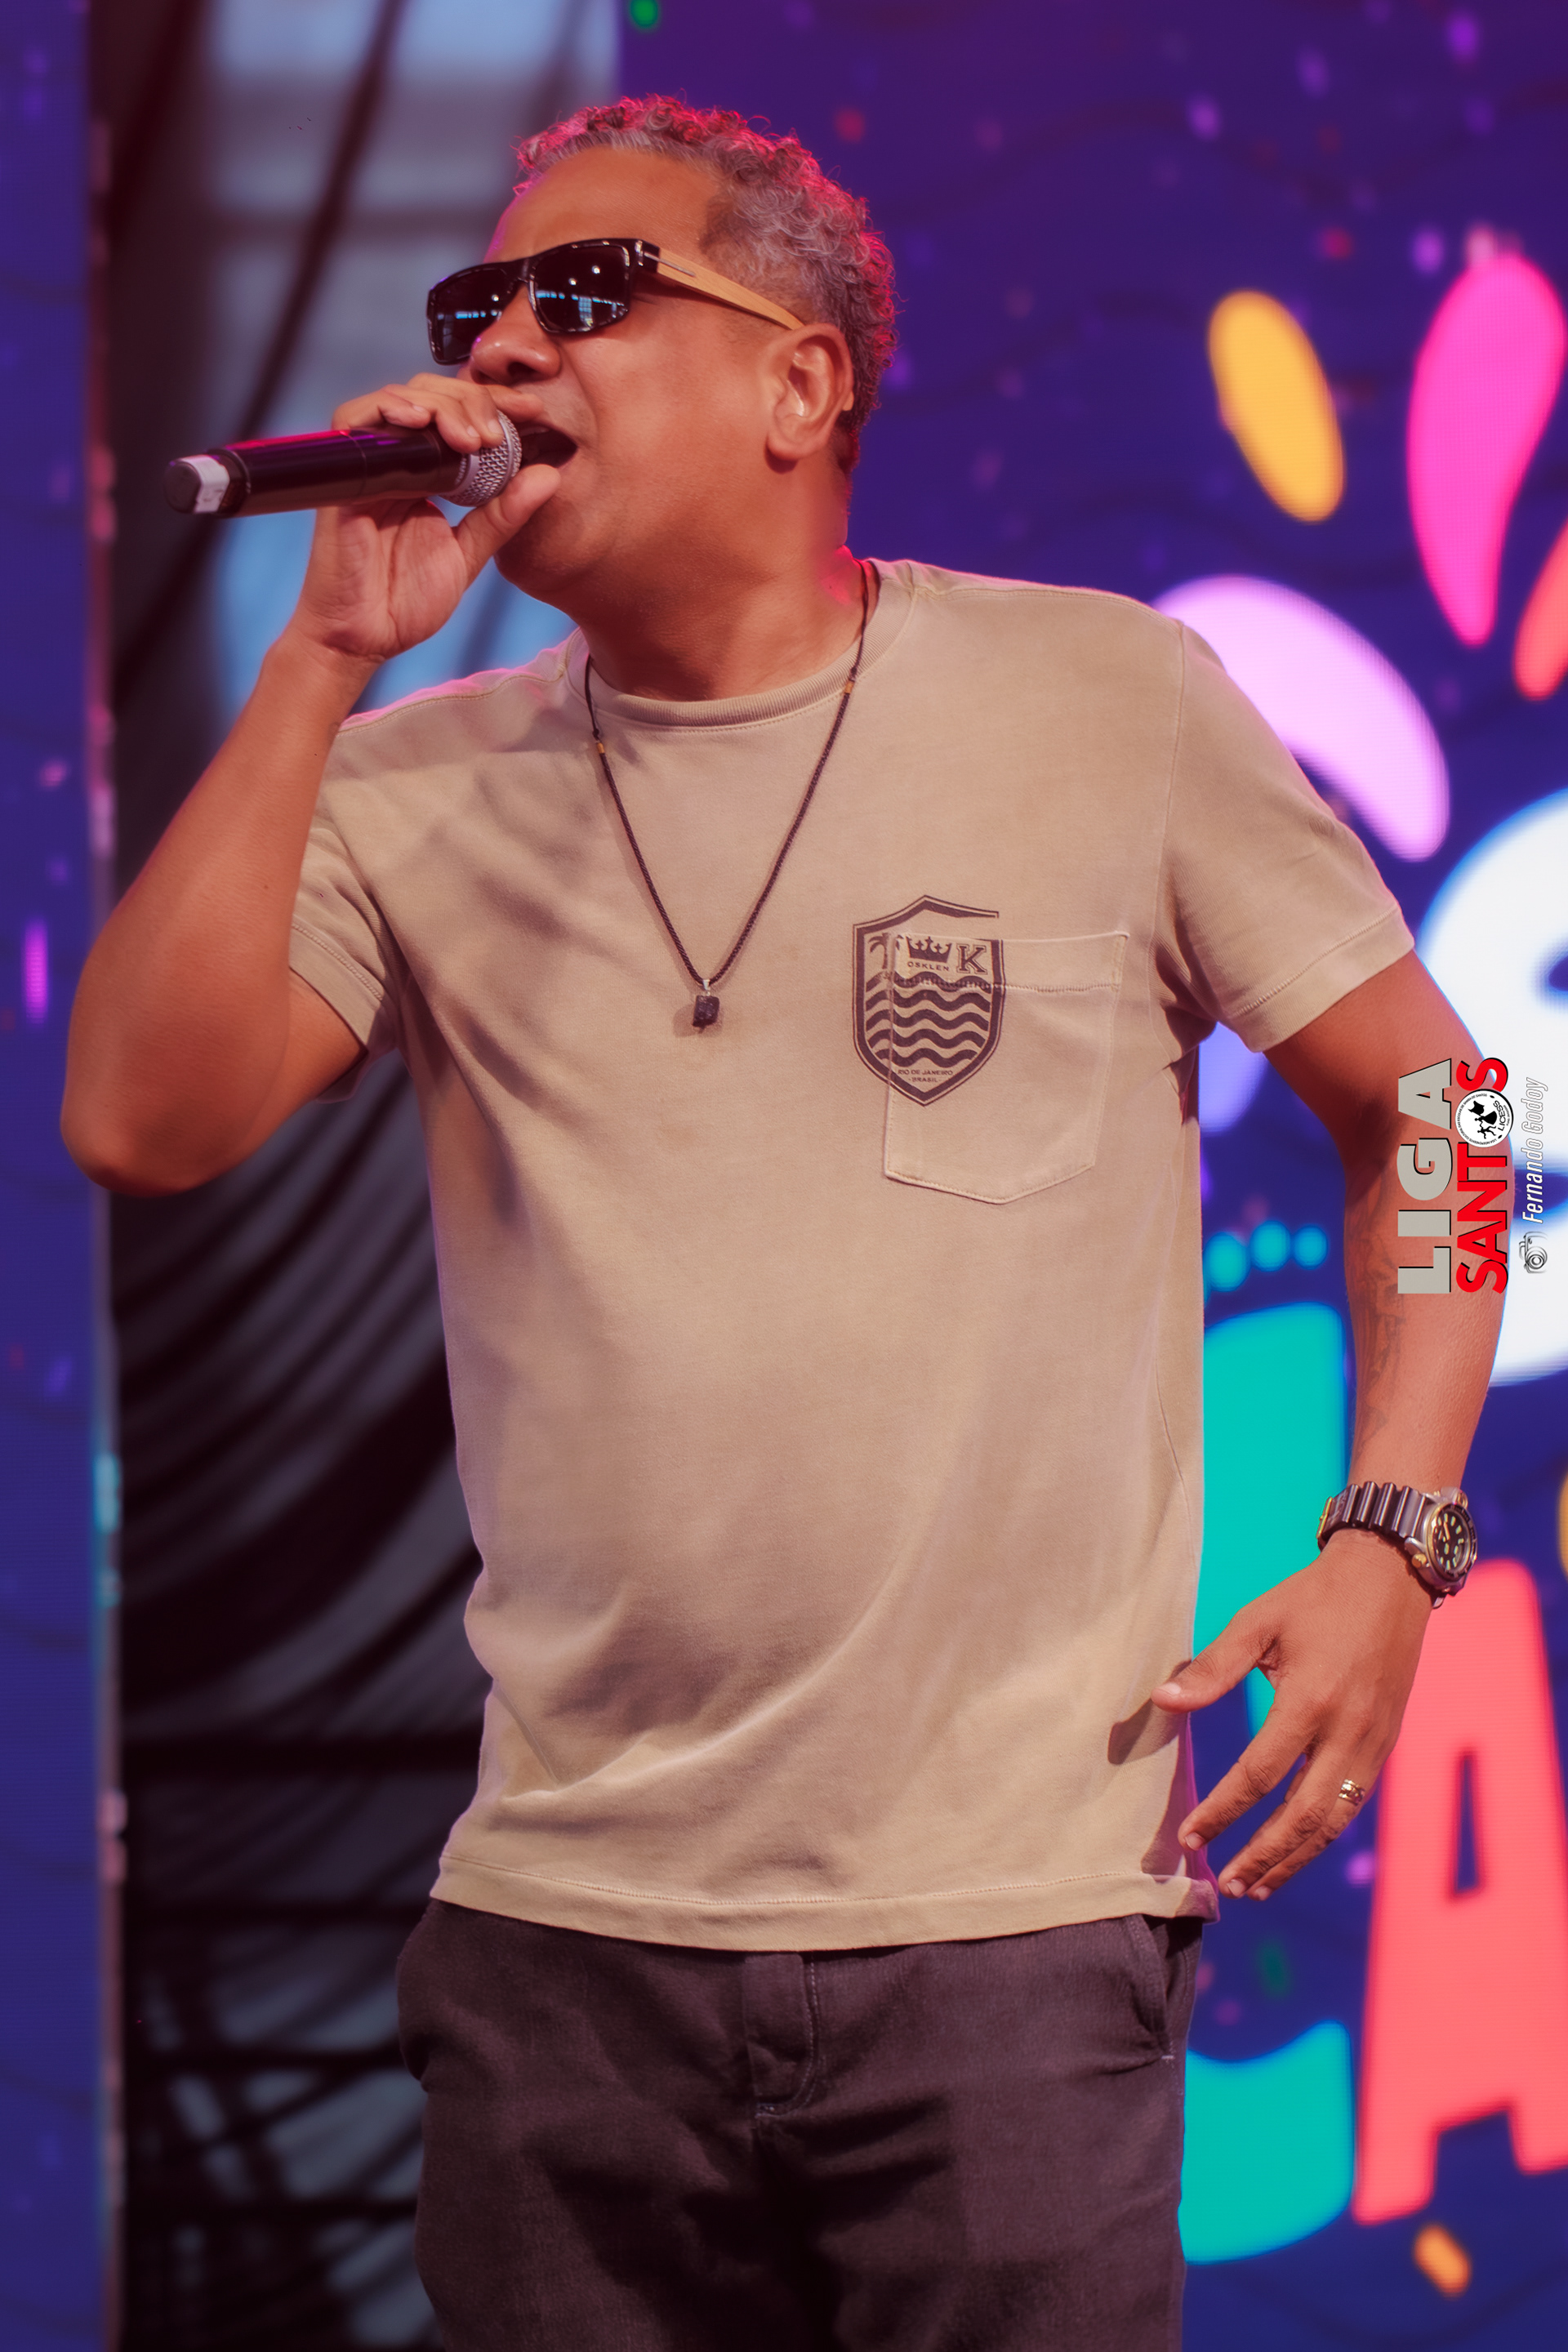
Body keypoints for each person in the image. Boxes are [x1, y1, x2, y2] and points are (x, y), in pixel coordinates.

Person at [67, 97, 1504, 2352]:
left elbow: (1454, 1107)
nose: (506, 351)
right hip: (567, 1949)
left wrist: (1396, 1536)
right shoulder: (413, 786)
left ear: (800, 384)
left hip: (1010, 1937)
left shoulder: (1101, 699)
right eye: (480, 306)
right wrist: (320, 661)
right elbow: (136, 1119)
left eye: (587, 295)